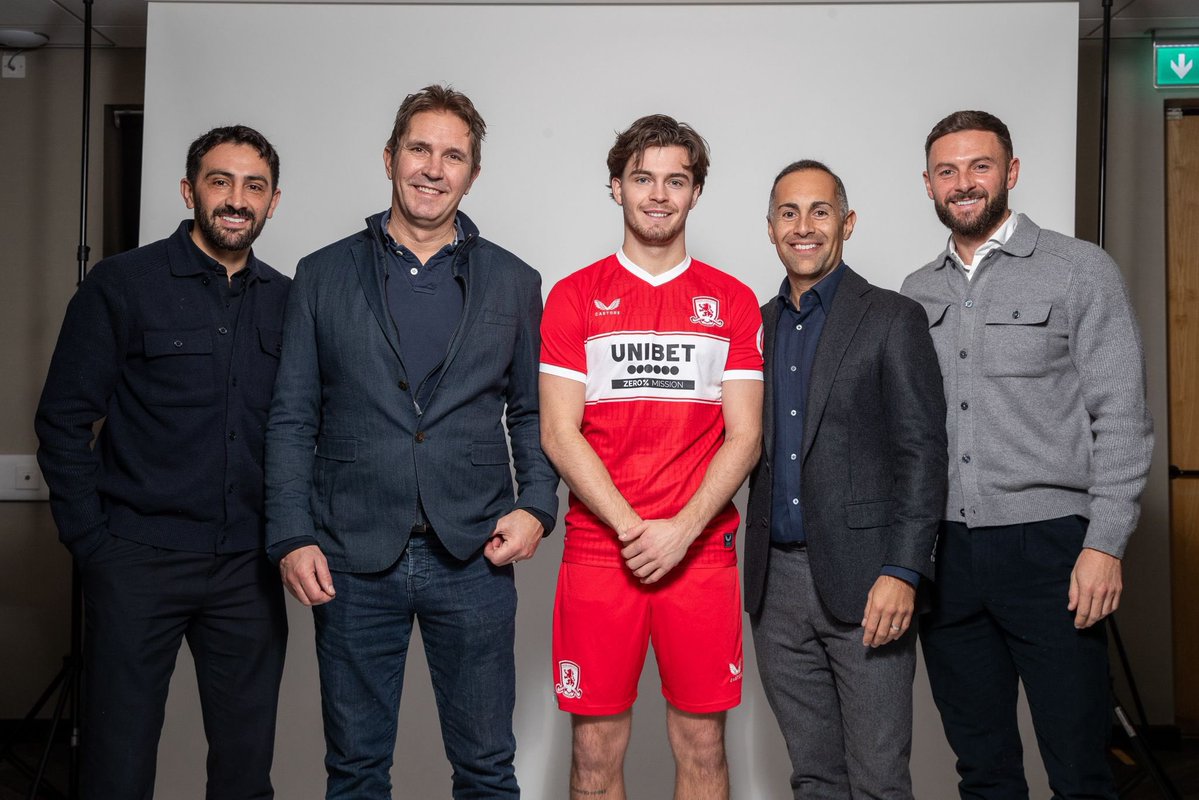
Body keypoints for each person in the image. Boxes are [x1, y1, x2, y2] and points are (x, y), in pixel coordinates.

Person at [264, 84, 558, 799]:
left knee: (486, 769)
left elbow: (530, 411)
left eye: (452, 155)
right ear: (390, 157)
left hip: (474, 554)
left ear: (473, 174)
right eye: (419, 149)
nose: (433, 167)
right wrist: (290, 534)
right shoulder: (321, 274)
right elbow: (292, 416)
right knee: (357, 771)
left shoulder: (515, 282)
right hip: (352, 553)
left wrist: (537, 505)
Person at [901, 110, 1154, 799]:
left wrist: (1103, 544)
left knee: (1078, 765)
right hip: (946, 555)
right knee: (982, 768)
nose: (963, 183)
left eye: (979, 166)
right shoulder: (913, 293)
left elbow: (1122, 417)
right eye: (947, 171)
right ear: (927, 184)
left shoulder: (1079, 271)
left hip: (1051, 553)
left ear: (1009, 173)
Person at [35, 125, 289, 799]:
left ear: (273, 202)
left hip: (248, 570)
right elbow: (63, 419)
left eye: (254, 186)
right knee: (116, 767)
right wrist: (93, 544)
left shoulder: (290, 301)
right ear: (189, 190)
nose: (237, 199)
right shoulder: (123, 284)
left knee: (243, 771)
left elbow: (303, 431)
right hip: (136, 560)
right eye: (220, 180)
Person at [539, 114, 763, 800]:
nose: (658, 194)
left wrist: (681, 530)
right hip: (601, 552)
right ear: (616, 187)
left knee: (701, 746)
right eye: (642, 178)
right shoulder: (574, 296)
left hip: (698, 555)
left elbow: (744, 436)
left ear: (696, 192)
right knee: (594, 751)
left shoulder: (731, 301)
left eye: (675, 180)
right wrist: (636, 531)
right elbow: (557, 432)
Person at [742, 160, 946, 799]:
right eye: (789, 213)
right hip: (775, 586)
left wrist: (904, 571)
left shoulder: (892, 317)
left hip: (869, 582)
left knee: (880, 781)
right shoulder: (754, 328)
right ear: (771, 228)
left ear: (847, 223)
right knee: (814, 776)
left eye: (820, 211)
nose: (804, 227)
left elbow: (922, 451)